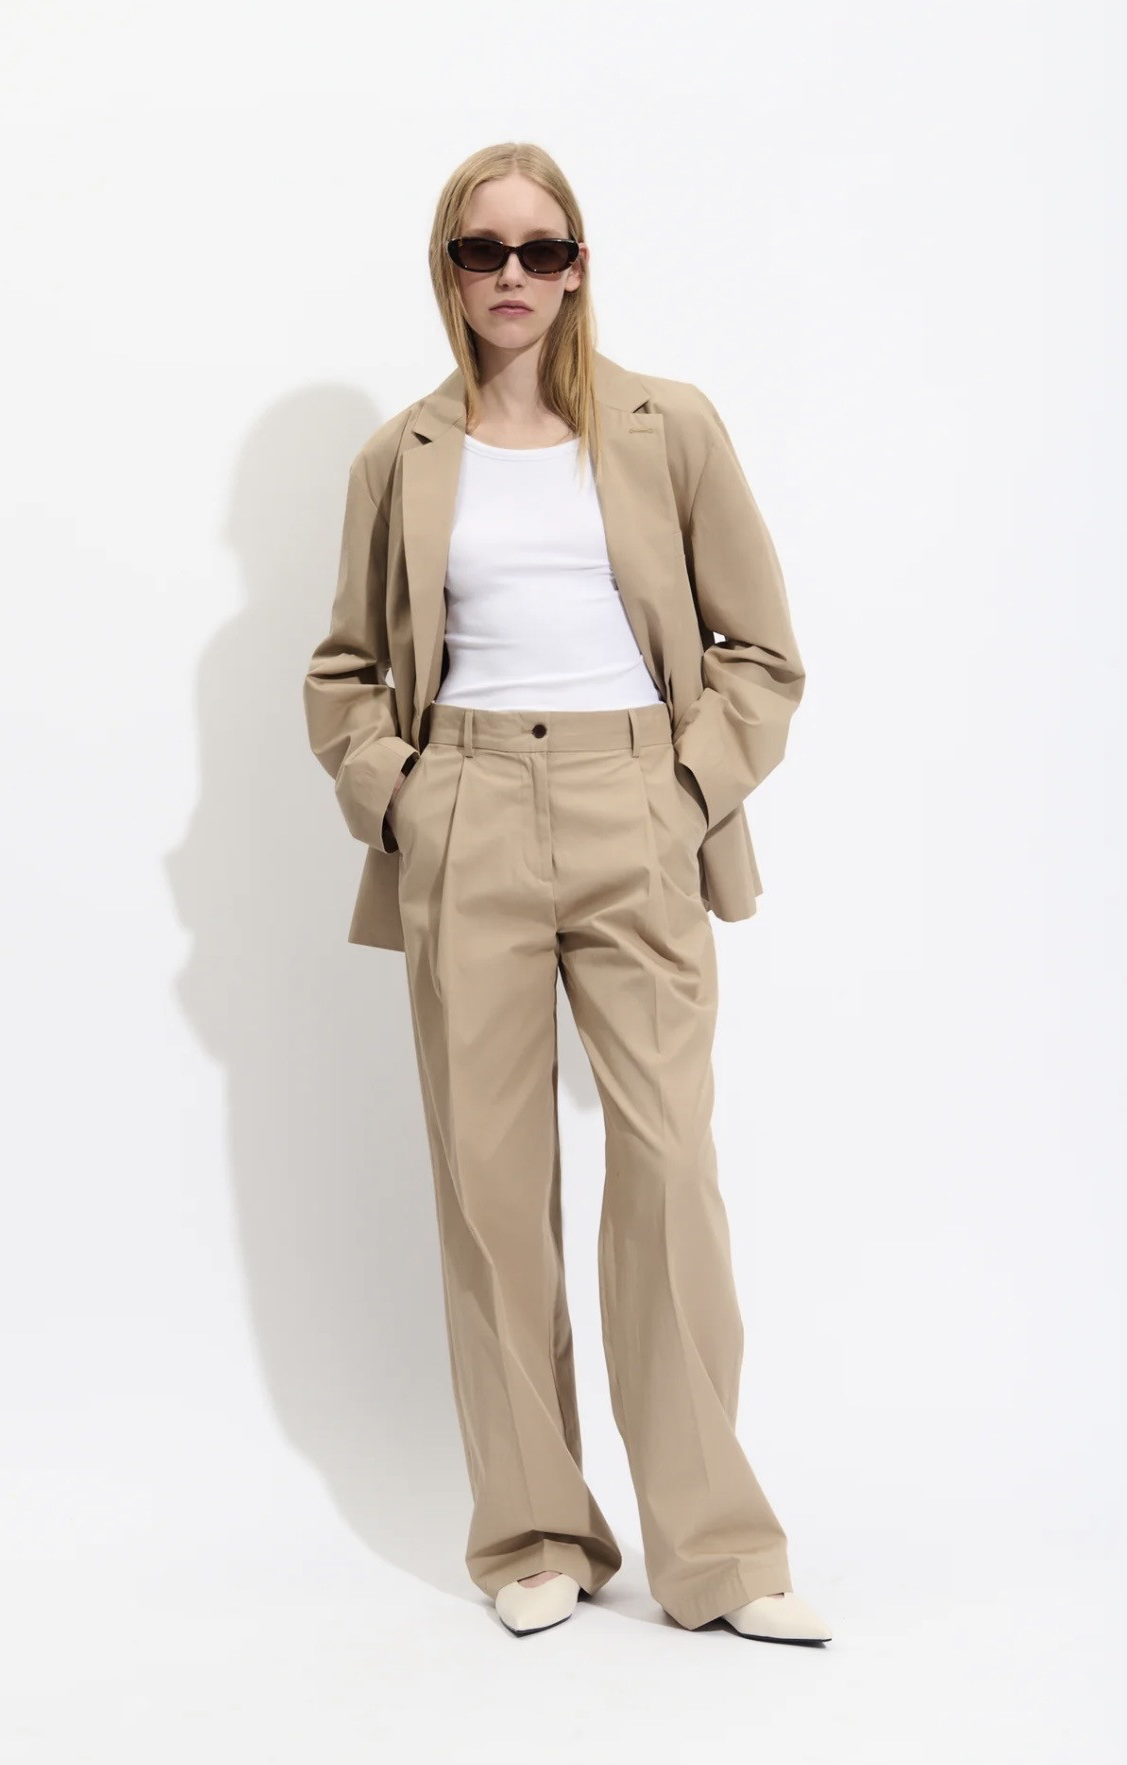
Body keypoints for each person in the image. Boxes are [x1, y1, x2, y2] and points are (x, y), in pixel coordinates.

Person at [303, 140, 831, 1645]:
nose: (514, 276)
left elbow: (760, 652)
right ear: (449, 269)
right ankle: (535, 1530)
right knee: (489, 1186)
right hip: (464, 806)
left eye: (542, 249)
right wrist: (402, 792)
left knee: (666, 1169)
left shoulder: (670, 427)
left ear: (580, 267)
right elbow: (344, 670)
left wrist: (682, 792)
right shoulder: (401, 455)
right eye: (484, 251)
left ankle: (717, 1555)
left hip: (634, 800)